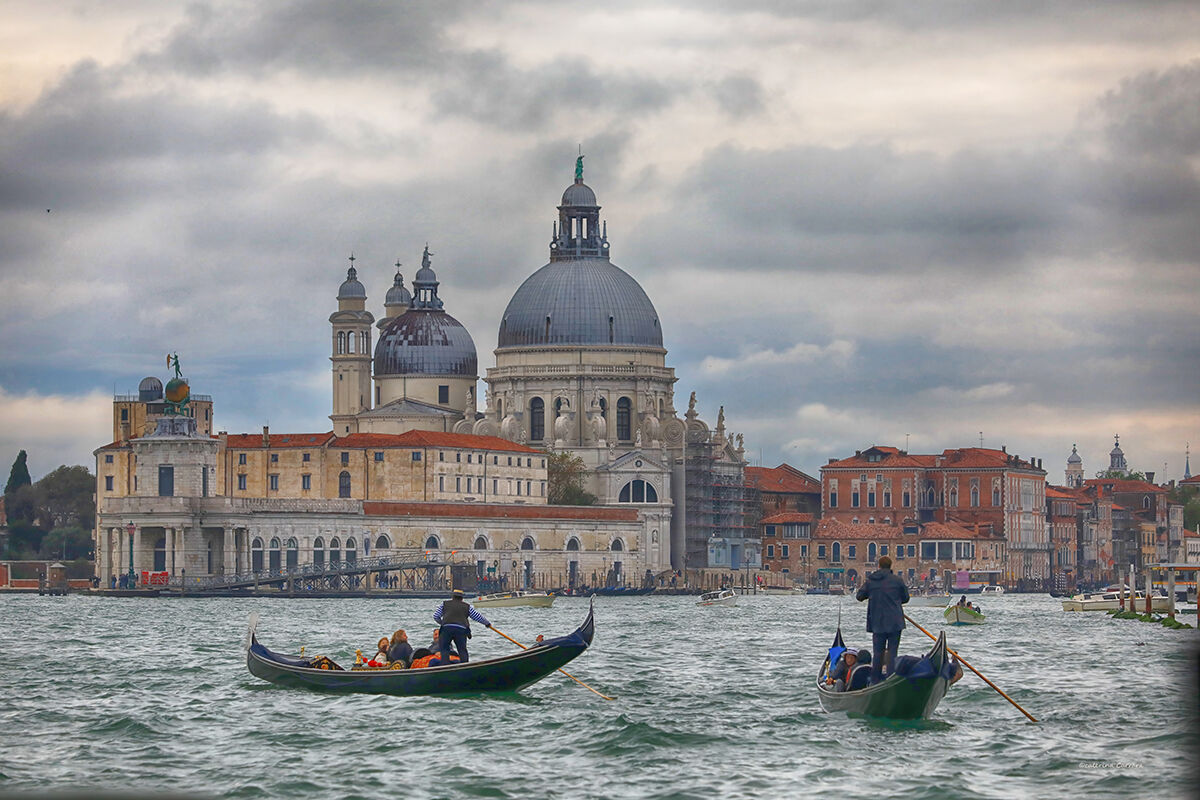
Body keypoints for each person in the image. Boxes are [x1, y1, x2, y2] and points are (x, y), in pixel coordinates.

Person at [856, 556, 910, 685]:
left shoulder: (871, 581)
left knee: (878, 653)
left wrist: (872, 595)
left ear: (879, 566)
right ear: (890, 566)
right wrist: (895, 601)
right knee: (893, 652)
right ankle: (890, 680)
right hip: (895, 621)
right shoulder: (897, 581)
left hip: (877, 622)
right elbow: (906, 598)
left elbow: (859, 596)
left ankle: (875, 681)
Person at [433, 588, 492, 664]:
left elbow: (436, 616)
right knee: (462, 650)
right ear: (462, 598)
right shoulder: (467, 606)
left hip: (446, 629)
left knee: (444, 649)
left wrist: (443, 623)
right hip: (461, 630)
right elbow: (477, 616)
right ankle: (465, 666)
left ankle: (444, 666)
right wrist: (487, 623)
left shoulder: (444, 604)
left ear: (452, 597)